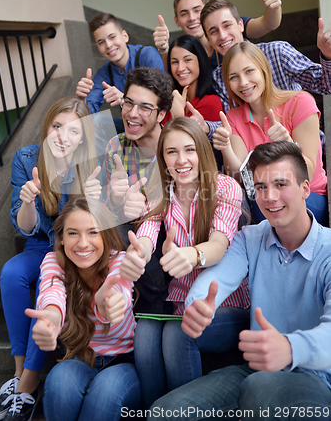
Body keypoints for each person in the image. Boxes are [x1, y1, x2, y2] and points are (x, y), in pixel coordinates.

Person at [148, 141, 331, 421]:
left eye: (280, 184)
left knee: (260, 388)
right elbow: (219, 277)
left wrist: (290, 347)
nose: (269, 197)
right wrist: (198, 303)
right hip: (255, 371)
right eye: (260, 187)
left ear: (306, 188)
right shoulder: (251, 237)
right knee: (164, 412)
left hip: (316, 377)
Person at [120, 117, 249, 409]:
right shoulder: (161, 192)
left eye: (189, 150)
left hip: (225, 305)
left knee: (177, 334)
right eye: (171, 152)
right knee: (145, 335)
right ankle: (155, 413)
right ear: (162, 158)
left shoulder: (225, 187)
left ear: (202, 151)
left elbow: (218, 245)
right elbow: (148, 234)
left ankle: (183, 413)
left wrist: (192, 255)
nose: (181, 160)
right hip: (179, 302)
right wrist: (139, 252)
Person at [0, 98, 101, 421]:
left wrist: (98, 201)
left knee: (48, 277)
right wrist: (28, 201)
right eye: (57, 127)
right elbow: (24, 226)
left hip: (72, 249)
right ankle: (17, 371)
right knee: (10, 273)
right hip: (40, 243)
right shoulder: (26, 157)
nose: (62, 137)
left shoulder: (90, 163)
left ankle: (28, 385)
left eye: (73, 131)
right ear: (47, 127)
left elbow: (94, 227)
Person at [26, 196, 141, 421]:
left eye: (93, 232)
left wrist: (107, 305)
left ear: (106, 235)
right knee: (58, 384)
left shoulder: (119, 260)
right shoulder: (53, 262)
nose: (83, 243)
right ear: (60, 238)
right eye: (72, 233)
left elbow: (120, 293)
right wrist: (50, 317)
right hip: (78, 359)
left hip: (123, 362)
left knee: (104, 396)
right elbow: (52, 294)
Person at [213, 41, 328, 226]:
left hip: (309, 196)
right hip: (264, 200)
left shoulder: (301, 102)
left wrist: (289, 145)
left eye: (249, 71)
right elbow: (240, 178)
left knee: (265, 201)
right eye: (234, 77)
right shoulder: (232, 117)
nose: (243, 82)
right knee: (250, 201)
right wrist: (226, 148)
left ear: (264, 70)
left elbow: (307, 172)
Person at [198, 0, 331, 117]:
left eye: (227, 25)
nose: (222, 36)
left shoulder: (277, 52)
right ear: (208, 39)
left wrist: (328, 55)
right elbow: (232, 124)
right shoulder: (218, 77)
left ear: (240, 25)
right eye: (214, 31)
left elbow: (326, 86)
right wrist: (205, 127)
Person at [76, 13, 166, 156]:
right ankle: (104, 173)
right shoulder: (105, 72)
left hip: (156, 124)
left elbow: (163, 99)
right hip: (131, 125)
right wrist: (82, 99)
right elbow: (88, 112)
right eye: (101, 42)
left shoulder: (146, 55)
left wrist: (126, 100)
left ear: (125, 36)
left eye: (112, 37)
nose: (109, 45)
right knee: (96, 121)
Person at [153, 0, 282, 71]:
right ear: (177, 21)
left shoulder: (228, 27)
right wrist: (164, 51)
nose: (192, 18)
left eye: (197, 10)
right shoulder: (183, 48)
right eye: (184, 14)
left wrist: (274, 7)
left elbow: (267, 24)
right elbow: (173, 76)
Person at [105, 66, 173, 227]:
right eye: (129, 103)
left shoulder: (177, 149)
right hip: (131, 231)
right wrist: (116, 199)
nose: (133, 113)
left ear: (161, 115)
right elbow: (111, 218)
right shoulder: (115, 147)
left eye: (145, 108)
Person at [164, 34, 223, 123]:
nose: (180, 68)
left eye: (187, 60)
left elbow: (188, 136)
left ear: (200, 61)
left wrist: (178, 116)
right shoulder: (172, 100)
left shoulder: (211, 103)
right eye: (175, 62)